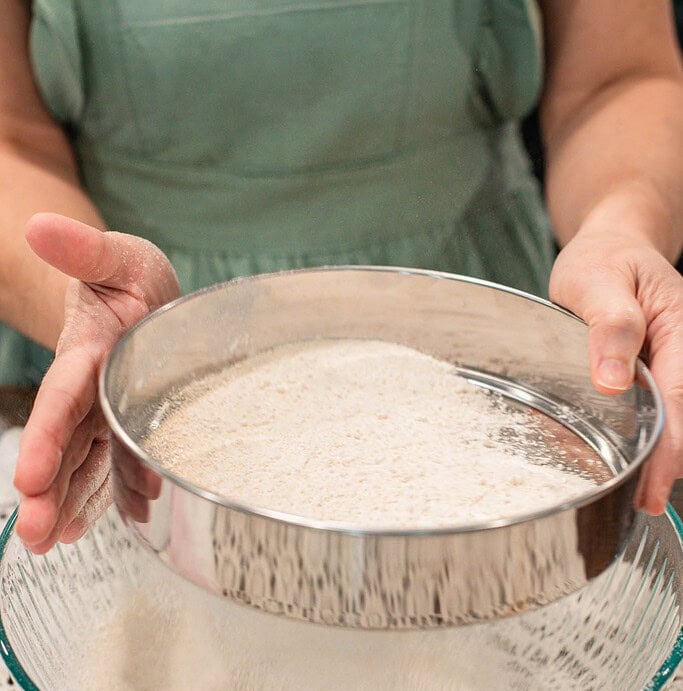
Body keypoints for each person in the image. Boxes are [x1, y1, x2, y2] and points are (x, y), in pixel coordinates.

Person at [1, 1, 681, 554]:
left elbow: (615, 77)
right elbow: (11, 137)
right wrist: (91, 294)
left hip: (480, 351)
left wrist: (620, 224)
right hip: (150, 355)